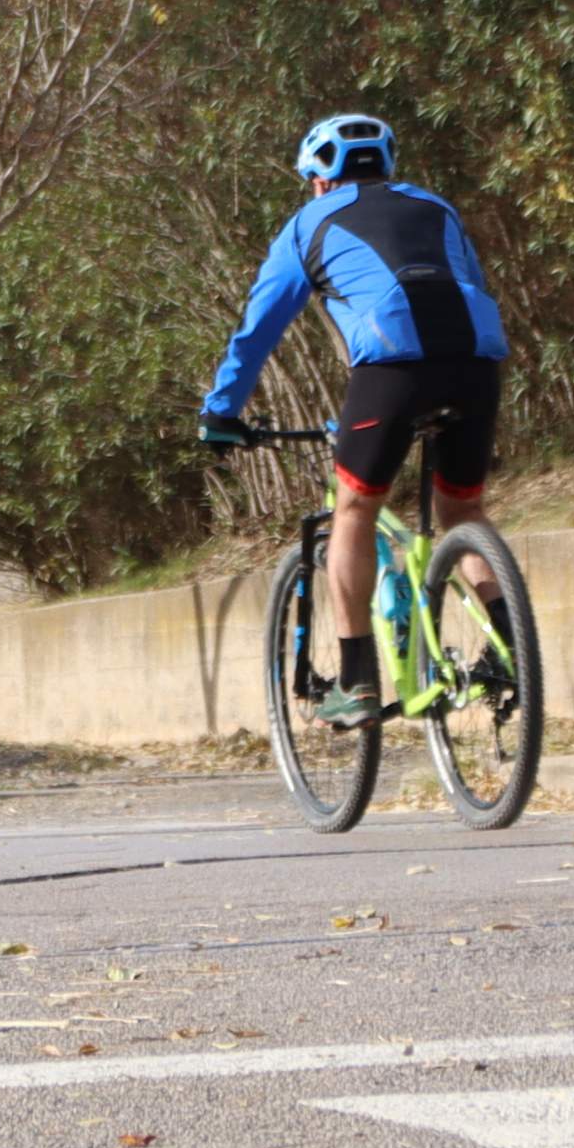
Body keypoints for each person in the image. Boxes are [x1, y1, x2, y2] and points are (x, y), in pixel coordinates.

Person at [200, 113, 511, 722]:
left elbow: (257, 331)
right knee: (464, 511)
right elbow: (469, 281)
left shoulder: (305, 225)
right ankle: (511, 648)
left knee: (356, 509)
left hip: (392, 370)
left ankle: (358, 679)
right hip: (476, 361)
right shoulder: (437, 208)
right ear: (387, 168)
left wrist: (222, 412)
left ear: (318, 179)